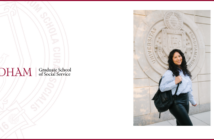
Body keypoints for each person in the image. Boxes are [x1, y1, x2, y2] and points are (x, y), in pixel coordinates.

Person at [160, 49, 197, 126]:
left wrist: (192, 101)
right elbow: (162, 88)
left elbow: (188, 88)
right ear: (171, 59)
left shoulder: (185, 71)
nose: (178, 58)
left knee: (181, 124)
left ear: (182, 57)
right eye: (175, 57)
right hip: (176, 102)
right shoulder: (169, 72)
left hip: (186, 101)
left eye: (179, 56)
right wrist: (175, 82)